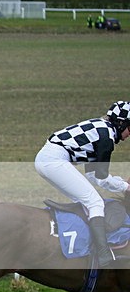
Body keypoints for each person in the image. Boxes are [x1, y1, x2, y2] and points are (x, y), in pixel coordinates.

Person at [35, 101, 130, 267]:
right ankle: (103, 254)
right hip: (54, 160)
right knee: (95, 202)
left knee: (89, 201)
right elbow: (102, 177)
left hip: (48, 159)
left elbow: (94, 177)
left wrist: (122, 184)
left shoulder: (101, 129)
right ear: (121, 123)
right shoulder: (106, 137)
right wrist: (125, 186)